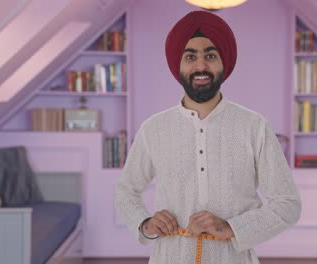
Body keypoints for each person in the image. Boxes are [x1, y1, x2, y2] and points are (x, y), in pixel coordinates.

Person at [115, 10, 301, 264]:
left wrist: (231, 228)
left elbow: (287, 203)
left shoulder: (254, 126)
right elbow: (125, 192)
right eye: (190, 56)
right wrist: (145, 223)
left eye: (210, 56)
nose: (201, 66)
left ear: (224, 62)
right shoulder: (153, 128)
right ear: (177, 64)